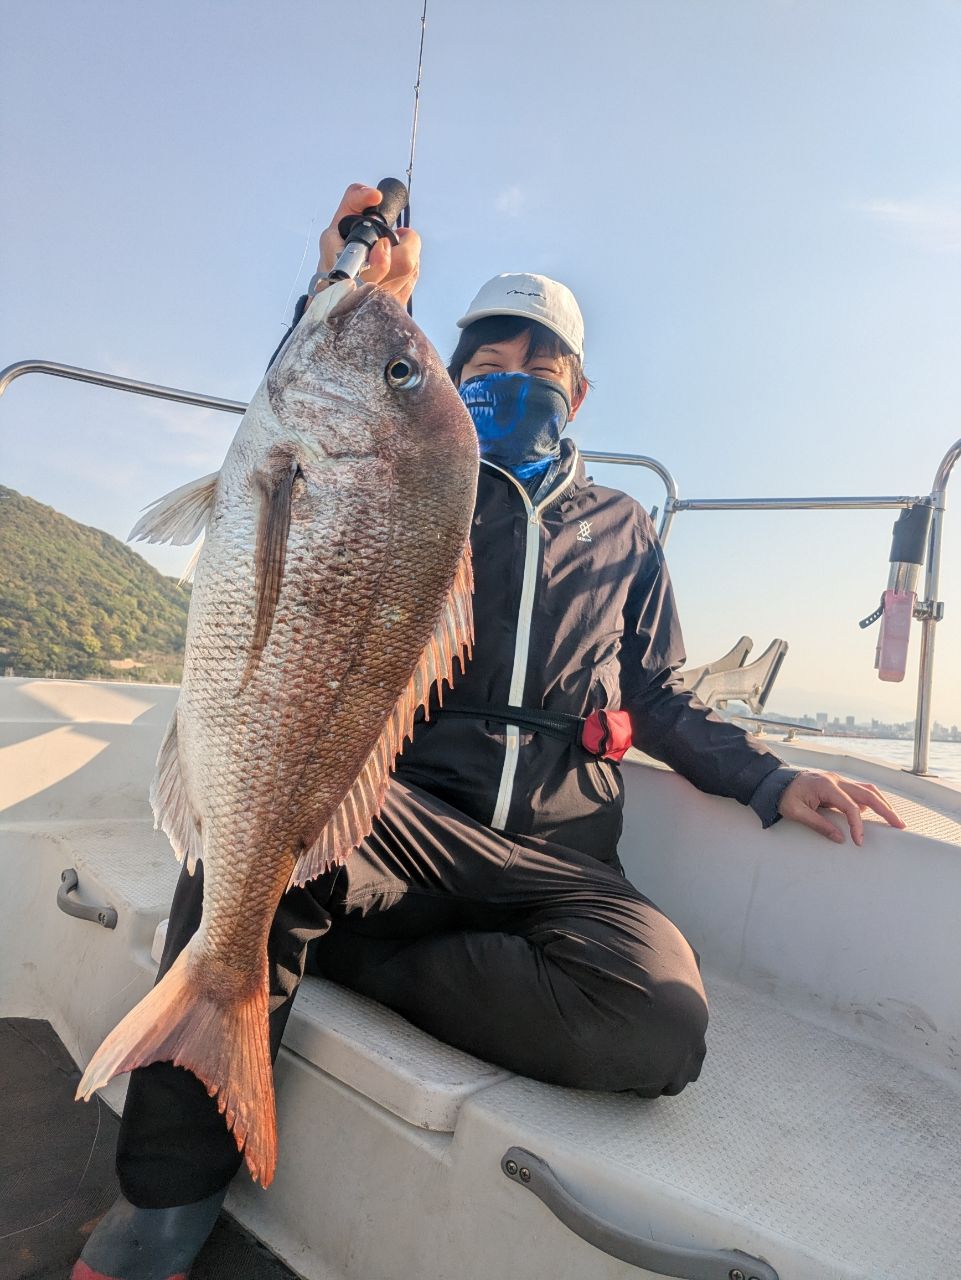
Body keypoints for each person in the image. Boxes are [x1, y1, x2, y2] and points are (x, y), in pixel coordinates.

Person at [72, 184, 904, 1280]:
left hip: (554, 858)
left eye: (539, 357)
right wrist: (343, 290)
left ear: (581, 386)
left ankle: (357, 954)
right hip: (403, 817)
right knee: (250, 842)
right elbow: (313, 449)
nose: (510, 372)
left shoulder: (622, 528)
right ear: (452, 375)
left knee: (658, 1022)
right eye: (484, 354)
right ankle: (163, 1209)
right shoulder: (418, 475)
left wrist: (766, 777)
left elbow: (654, 690)